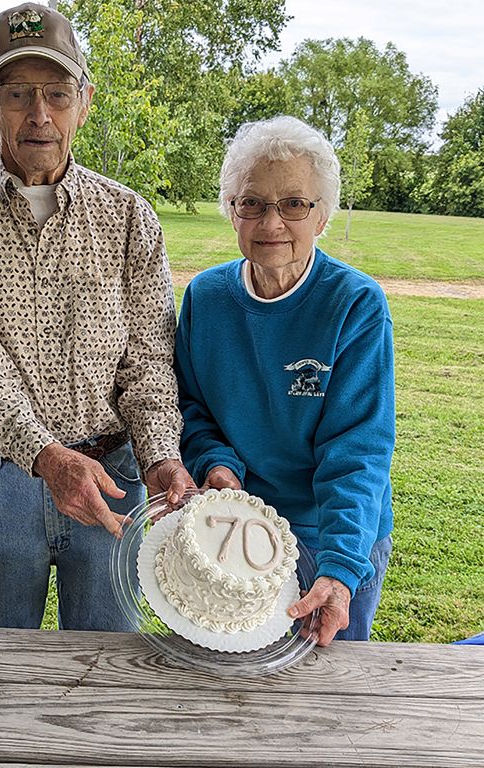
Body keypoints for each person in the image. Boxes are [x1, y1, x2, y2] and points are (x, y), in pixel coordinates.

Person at [0, 3, 192, 631]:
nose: (40, 114)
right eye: (18, 93)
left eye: (57, 93)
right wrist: (48, 456)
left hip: (114, 478)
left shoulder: (128, 216)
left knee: (102, 668)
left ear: (83, 102)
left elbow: (147, 359)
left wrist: (161, 458)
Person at [175, 116, 395, 646]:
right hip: (236, 528)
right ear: (232, 211)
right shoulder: (205, 299)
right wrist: (217, 464)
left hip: (331, 532)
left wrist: (341, 568)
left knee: (324, 684)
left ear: (321, 217)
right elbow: (191, 408)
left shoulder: (356, 305)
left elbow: (357, 450)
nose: (272, 222)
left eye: (294, 204)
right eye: (252, 203)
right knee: (225, 677)